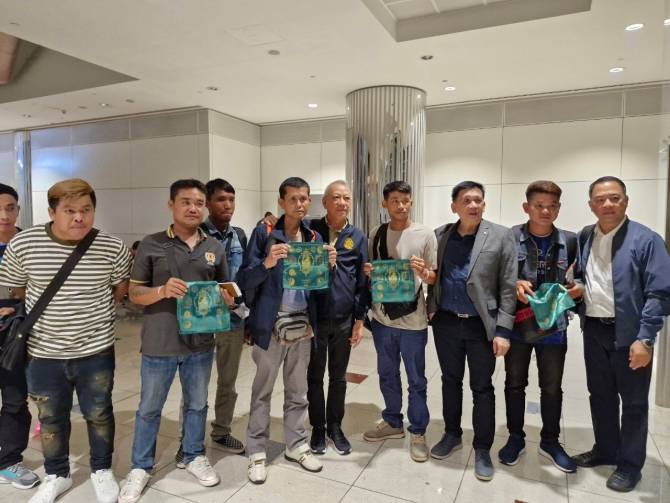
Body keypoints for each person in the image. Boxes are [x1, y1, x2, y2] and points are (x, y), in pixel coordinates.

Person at [0, 179, 132, 503]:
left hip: (96, 350)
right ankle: (57, 474)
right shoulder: (24, 244)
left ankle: (101, 469)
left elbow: (119, 291)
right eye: (70, 210)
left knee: (99, 413)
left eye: (86, 210)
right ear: (51, 212)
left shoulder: (112, 247)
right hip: (43, 353)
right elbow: (18, 291)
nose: (79, 218)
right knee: (50, 418)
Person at [118, 179, 234, 503]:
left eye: (199, 203)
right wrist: (161, 291)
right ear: (171, 205)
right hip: (160, 343)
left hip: (201, 344)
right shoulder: (152, 244)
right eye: (186, 202)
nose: (193, 208)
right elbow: (134, 294)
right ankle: (140, 466)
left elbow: (224, 289)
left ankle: (193, 454)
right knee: (149, 409)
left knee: (197, 404)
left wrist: (226, 299)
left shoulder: (214, 247)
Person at [570, 176, 670, 492]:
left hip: (631, 335)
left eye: (614, 198)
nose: (607, 204)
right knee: (600, 396)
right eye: (600, 199)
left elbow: (659, 293)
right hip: (594, 330)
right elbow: (586, 276)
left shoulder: (647, 240)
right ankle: (606, 450)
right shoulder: (586, 236)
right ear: (591, 205)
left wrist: (645, 339)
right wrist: (578, 288)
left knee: (635, 403)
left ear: (626, 201)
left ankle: (629, 465)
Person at [237, 176, 337, 484]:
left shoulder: (314, 238)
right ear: (281, 202)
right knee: (263, 390)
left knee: (298, 390)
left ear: (310, 201)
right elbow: (244, 279)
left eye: (304, 198)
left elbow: (321, 289)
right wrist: (267, 263)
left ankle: (296, 444)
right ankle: (257, 450)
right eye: (292, 198)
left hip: (302, 324)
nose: (299, 204)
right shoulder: (265, 233)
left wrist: (329, 267)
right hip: (270, 324)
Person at [426, 180, 516, 481]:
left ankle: (482, 448)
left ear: (484, 204)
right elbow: (434, 276)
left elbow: (508, 286)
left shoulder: (501, 236)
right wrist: (431, 306)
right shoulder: (441, 235)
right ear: (454, 206)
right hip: (447, 322)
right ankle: (452, 434)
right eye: (466, 200)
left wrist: (503, 331)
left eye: (478, 200)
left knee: (482, 387)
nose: (473, 205)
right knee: (450, 381)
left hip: (481, 325)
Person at [498, 181, 582, 473]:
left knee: (552, 387)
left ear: (558, 209)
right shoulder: (510, 237)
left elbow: (582, 275)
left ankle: (550, 441)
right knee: (514, 383)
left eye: (552, 206)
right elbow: (495, 274)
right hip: (518, 325)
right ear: (527, 207)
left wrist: (577, 286)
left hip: (554, 327)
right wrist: (513, 282)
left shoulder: (570, 240)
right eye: (539, 206)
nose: (545, 211)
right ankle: (515, 437)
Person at [362, 180, 438, 463]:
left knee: (416, 379)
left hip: (413, 321)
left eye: (406, 201)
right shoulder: (376, 233)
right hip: (383, 319)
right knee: (387, 373)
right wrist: (369, 271)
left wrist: (424, 273)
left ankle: (418, 431)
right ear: (385, 204)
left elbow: (434, 276)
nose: (401, 206)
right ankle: (393, 421)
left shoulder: (425, 234)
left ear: (411, 202)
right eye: (395, 200)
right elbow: (374, 270)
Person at [174, 178, 248, 465]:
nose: (227, 205)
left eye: (231, 199)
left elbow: (245, 278)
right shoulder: (195, 235)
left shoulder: (239, 235)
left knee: (228, 381)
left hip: (232, 319)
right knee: (195, 384)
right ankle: (187, 441)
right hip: (201, 320)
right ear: (207, 203)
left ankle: (221, 431)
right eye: (220, 199)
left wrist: (247, 314)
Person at [307, 180, 368, 455]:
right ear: (325, 202)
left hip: (344, 319)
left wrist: (359, 320)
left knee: (338, 376)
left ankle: (335, 426)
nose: (342, 203)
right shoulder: (310, 231)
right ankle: (317, 428)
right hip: (314, 318)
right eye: (336, 197)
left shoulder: (358, 236)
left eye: (346, 198)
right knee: (314, 376)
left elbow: (362, 283)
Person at [0, 184, 39, 491]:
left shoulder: (31, 244)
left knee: (15, 398)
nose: (4, 215)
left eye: (10, 208)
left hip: (17, 333)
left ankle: (8, 461)